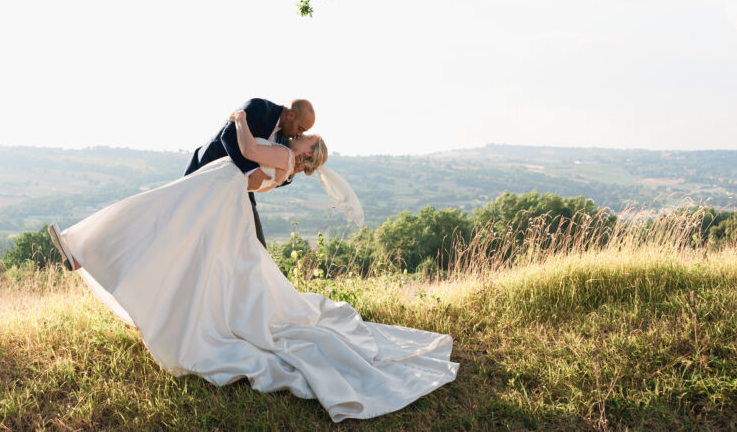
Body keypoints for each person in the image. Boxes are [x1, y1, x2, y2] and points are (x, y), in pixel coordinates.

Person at [47, 109, 457, 422]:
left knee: (153, 216)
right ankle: (86, 251)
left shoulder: (280, 153)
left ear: (307, 153)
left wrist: (240, 118)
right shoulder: (287, 169)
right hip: (223, 199)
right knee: (177, 240)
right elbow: (252, 174)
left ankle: (82, 247)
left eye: (307, 138)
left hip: (217, 190)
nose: (302, 135)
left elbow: (245, 150)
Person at [184, 98, 315, 248]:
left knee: (254, 243)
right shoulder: (258, 107)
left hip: (238, 188)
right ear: (291, 115)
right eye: (301, 128)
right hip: (208, 172)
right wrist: (252, 170)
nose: (299, 134)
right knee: (191, 232)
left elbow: (269, 172)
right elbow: (228, 136)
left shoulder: (283, 138)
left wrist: (290, 172)